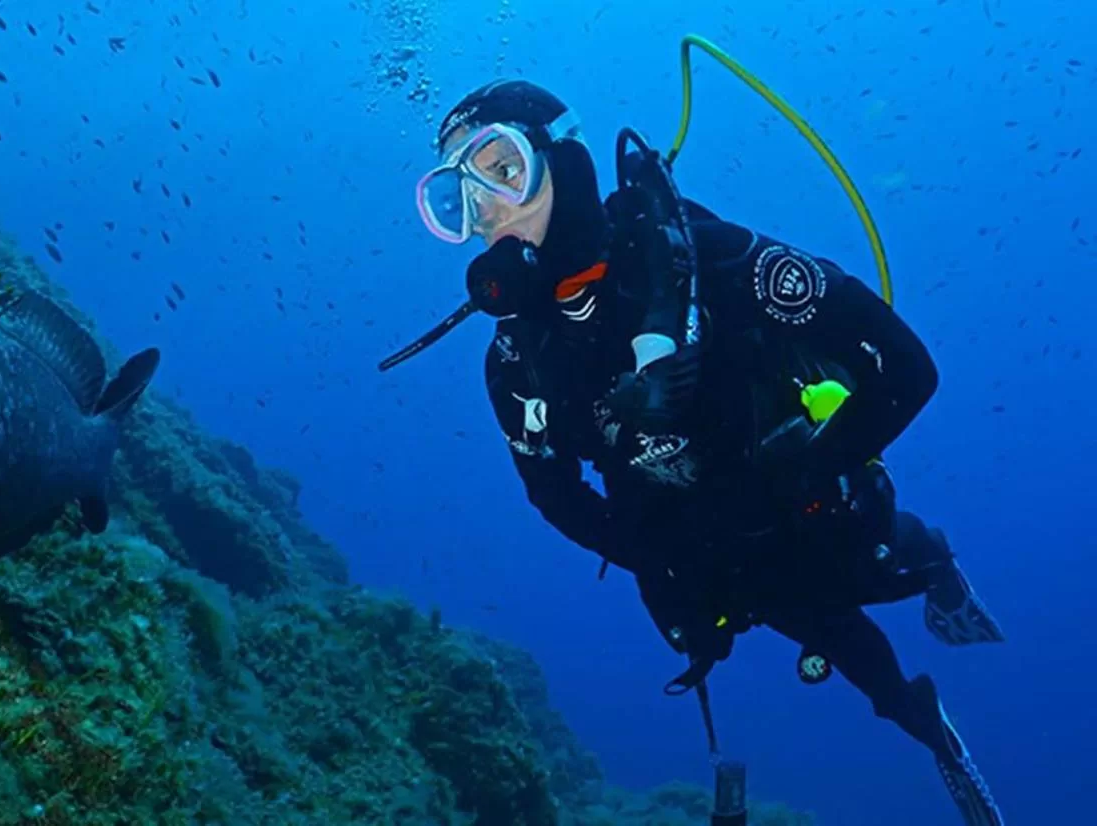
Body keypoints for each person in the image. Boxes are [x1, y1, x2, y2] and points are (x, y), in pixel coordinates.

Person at [411, 78, 1008, 825]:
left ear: (563, 164)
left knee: (877, 558)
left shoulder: (715, 264)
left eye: (502, 172)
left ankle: (939, 569)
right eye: (458, 200)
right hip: (706, 553)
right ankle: (922, 722)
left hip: (806, 498)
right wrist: (658, 554)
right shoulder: (513, 362)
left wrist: (801, 473)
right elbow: (552, 495)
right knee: (827, 632)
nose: (489, 213)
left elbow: (907, 368)